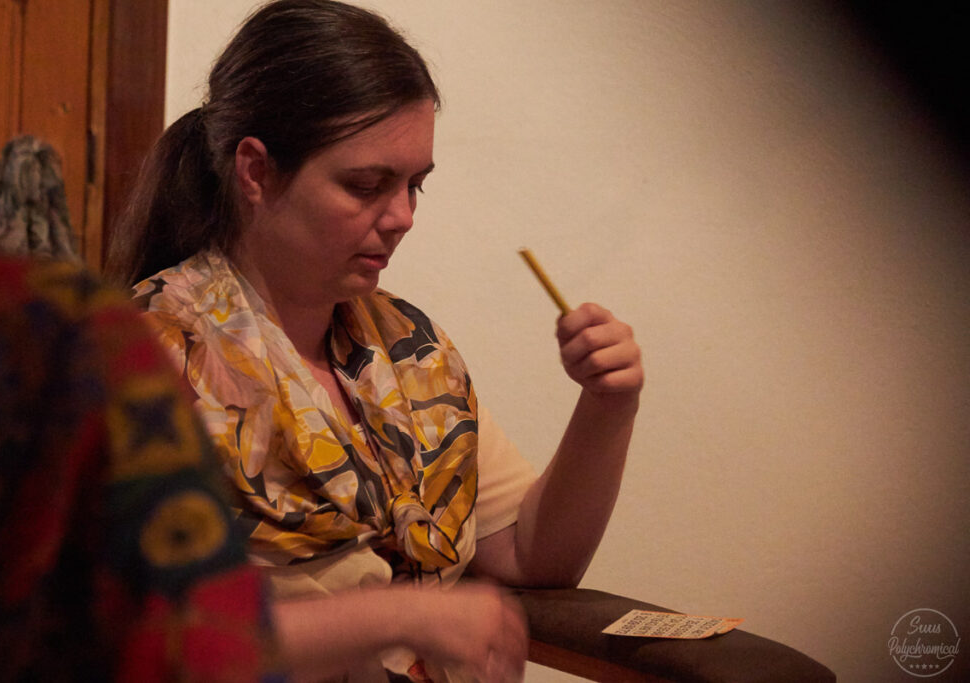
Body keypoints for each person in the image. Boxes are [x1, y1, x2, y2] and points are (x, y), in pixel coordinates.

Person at [106, 1, 643, 680]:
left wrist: (608, 405)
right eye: (366, 185)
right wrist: (396, 617)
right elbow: (131, 634)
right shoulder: (149, 357)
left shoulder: (410, 354)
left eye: (416, 185)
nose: (402, 217)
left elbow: (530, 555)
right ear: (256, 172)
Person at [0, 230, 289, 682]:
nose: (386, 220)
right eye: (361, 192)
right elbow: (192, 637)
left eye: (408, 189)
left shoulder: (389, 339)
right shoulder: (61, 335)